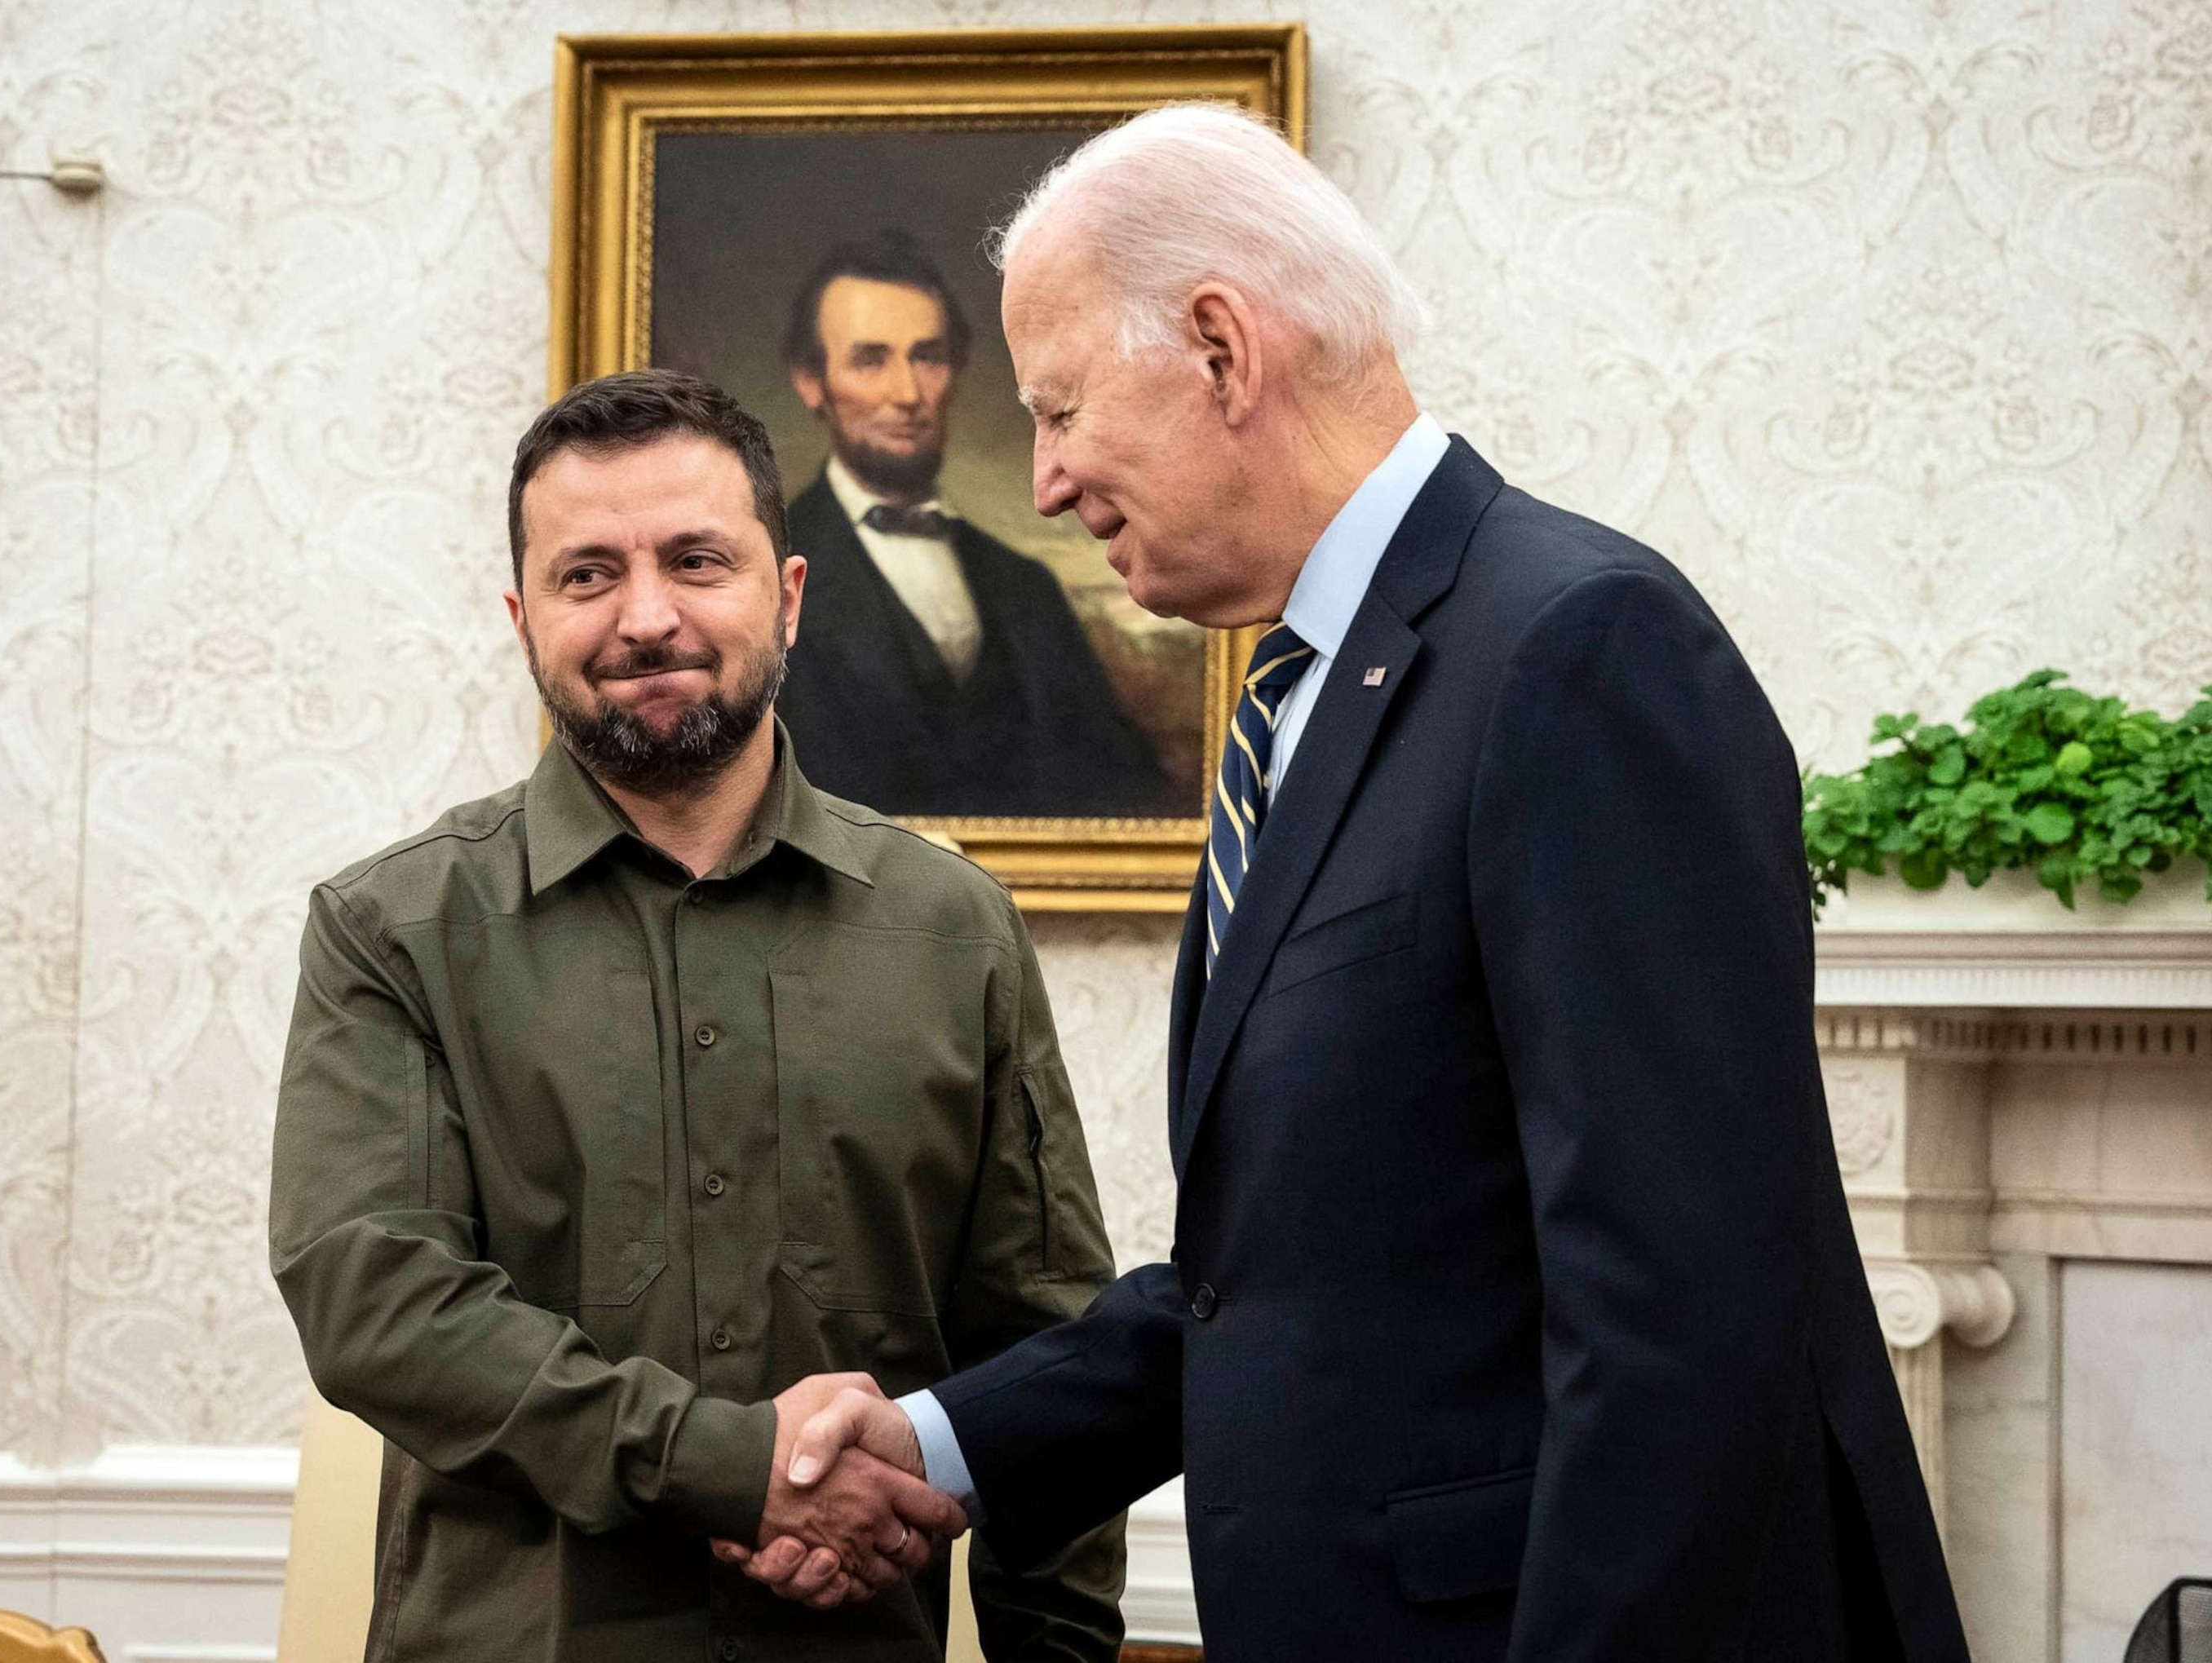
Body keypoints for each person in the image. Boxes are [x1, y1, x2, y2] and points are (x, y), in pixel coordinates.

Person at [728, 107, 1974, 1662]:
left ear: (1220, 349)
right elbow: (1276, 1280)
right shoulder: (1305, 693)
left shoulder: (1578, 648)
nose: (1039, 480)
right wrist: (937, 1442)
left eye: (1056, 408)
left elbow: (1679, 1323)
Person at [268, 369, 1126, 1661]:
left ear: (784, 593)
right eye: (588, 573)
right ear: (522, 618)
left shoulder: (955, 931)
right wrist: (740, 1464)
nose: (646, 615)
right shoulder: (393, 928)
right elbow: (378, 1307)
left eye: (695, 559)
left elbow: (1048, 1349)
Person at [772, 228, 1183, 818]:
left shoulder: (1027, 588)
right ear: (812, 382)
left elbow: (1126, 789)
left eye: (928, 357)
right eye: (871, 360)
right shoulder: (760, 575)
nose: (908, 392)